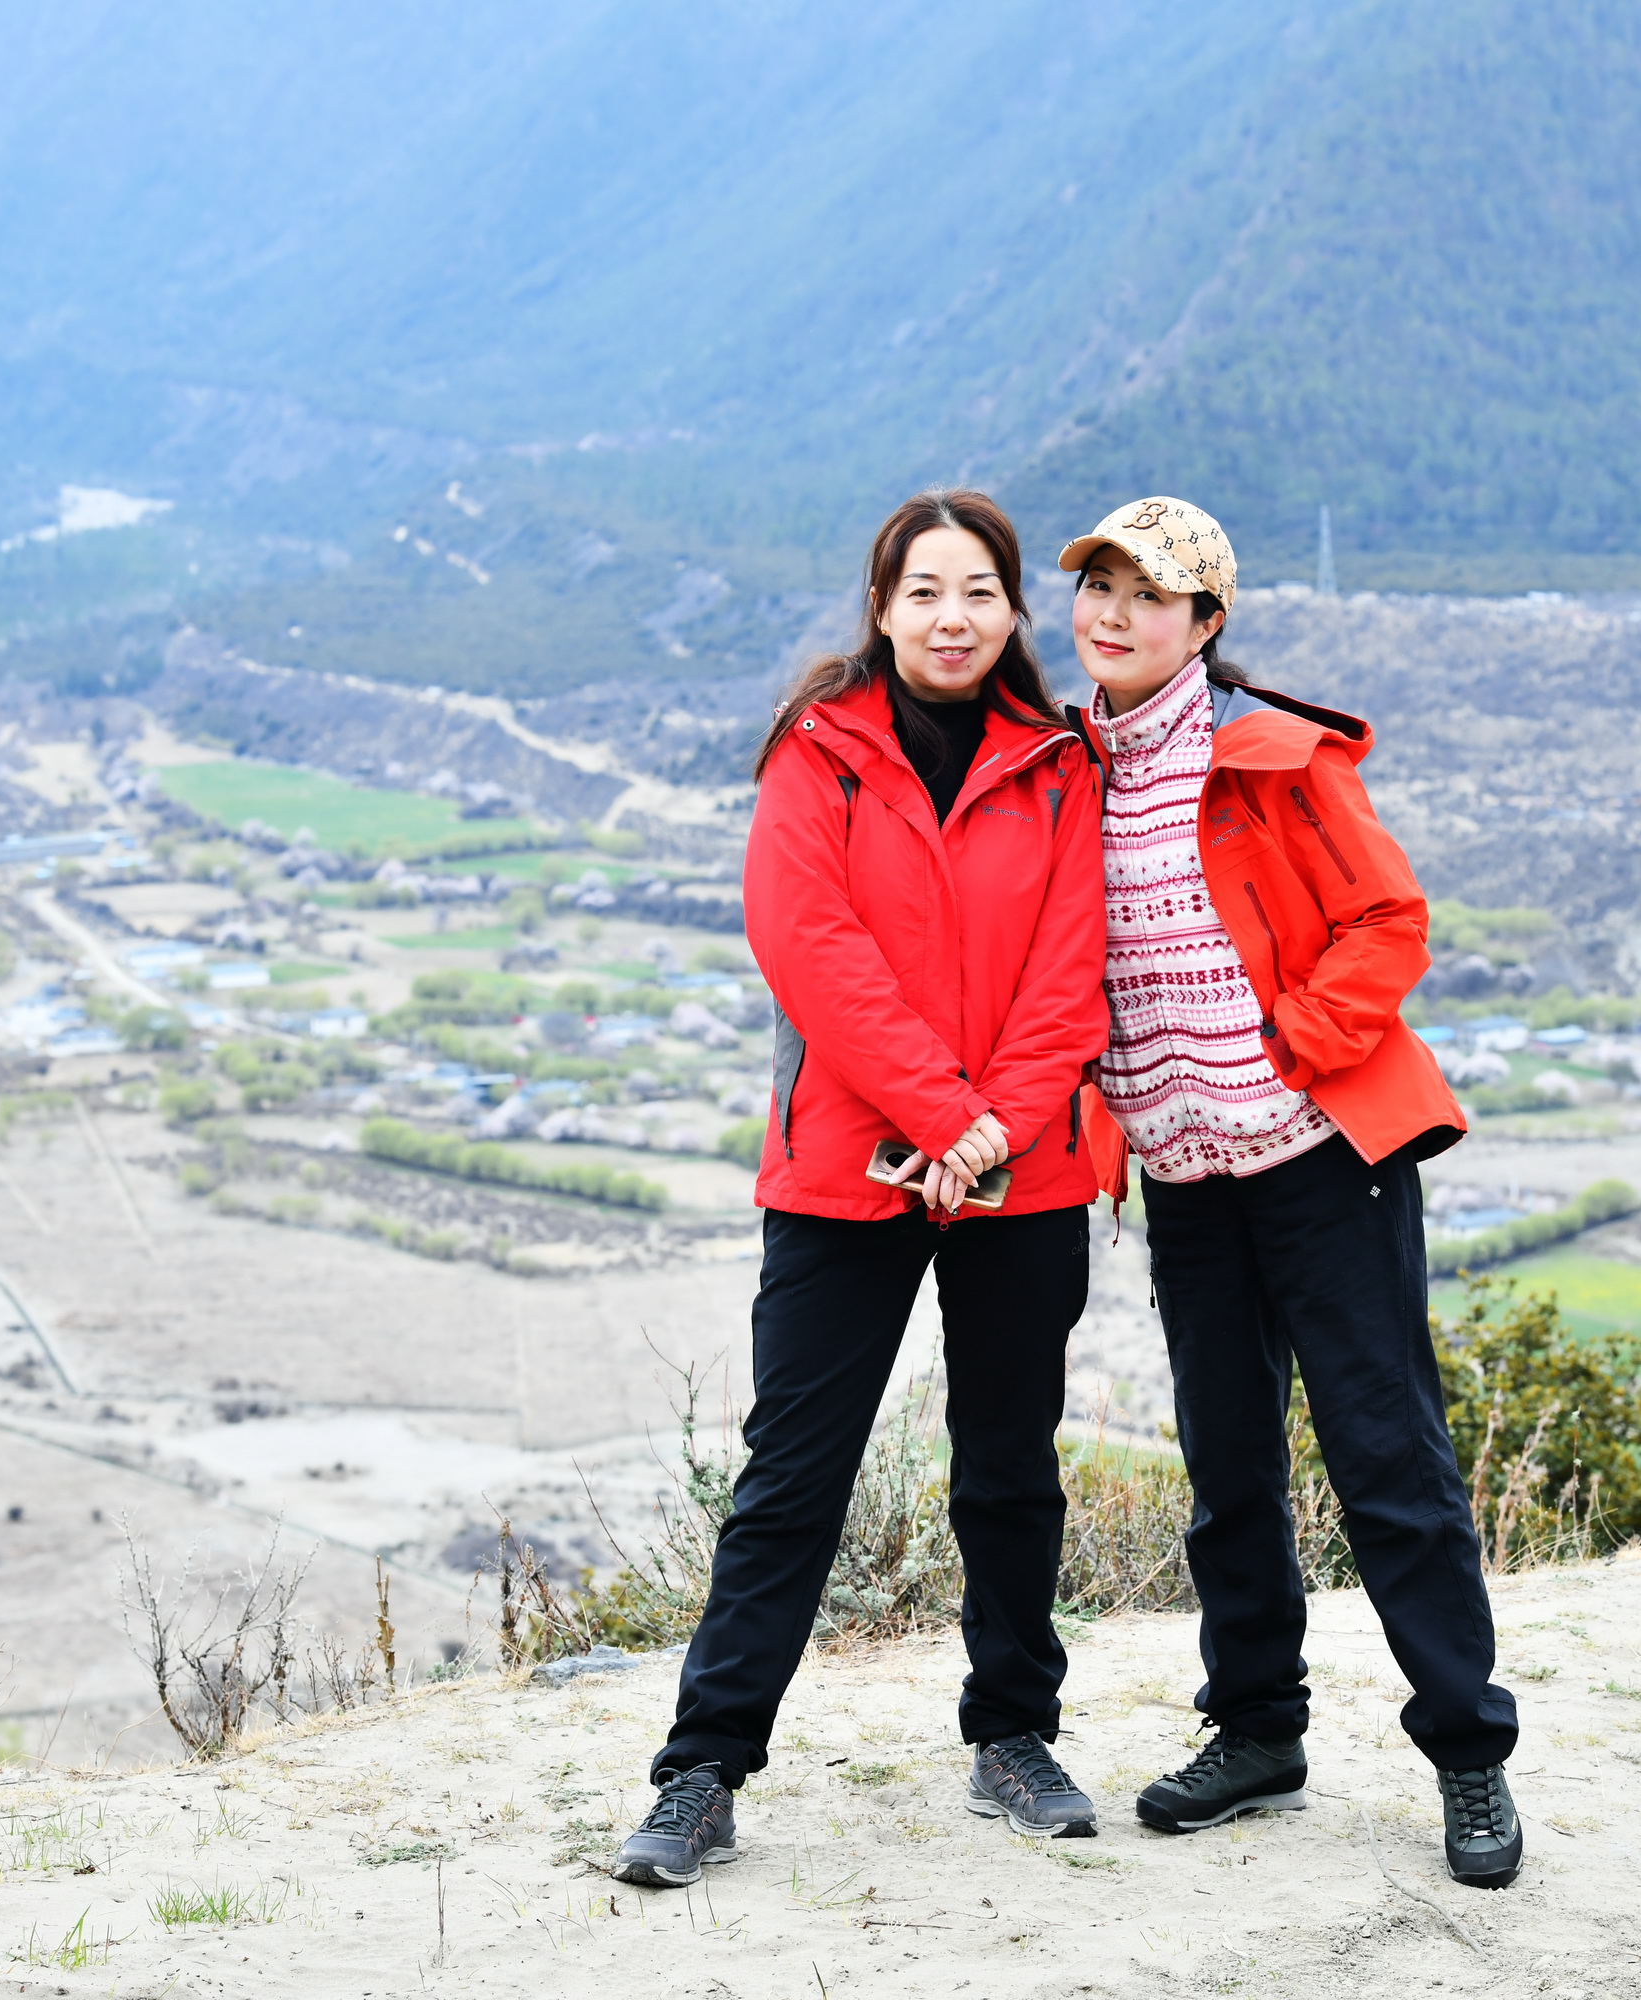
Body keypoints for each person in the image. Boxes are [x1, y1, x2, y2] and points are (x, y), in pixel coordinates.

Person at [611, 490, 1111, 1888]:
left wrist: (991, 1133)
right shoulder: (815, 754)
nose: (953, 618)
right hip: (850, 1170)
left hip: (1022, 1176)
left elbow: (1074, 972)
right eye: (925, 592)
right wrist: (950, 1118)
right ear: (881, 609)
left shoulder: (1063, 766)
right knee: (792, 1480)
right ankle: (703, 1772)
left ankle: (1013, 1737)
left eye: (980, 593)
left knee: (1011, 1469)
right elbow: (809, 948)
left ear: (1014, 614)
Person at [1060, 496, 1525, 1887]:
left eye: (1150, 593)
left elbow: (1393, 918)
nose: (1114, 612)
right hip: (1188, 1179)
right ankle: (1258, 1732)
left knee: (1390, 1465)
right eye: (1096, 584)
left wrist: (1288, 1049)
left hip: (1324, 1163)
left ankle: (1468, 1755)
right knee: (1229, 1471)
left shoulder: (1274, 758)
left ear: (1206, 623)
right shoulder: (1061, 773)